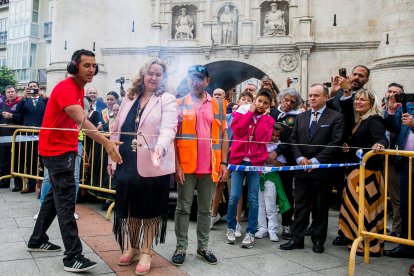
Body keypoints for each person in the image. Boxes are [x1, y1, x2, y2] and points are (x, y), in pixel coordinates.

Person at [26, 49, 122, 273]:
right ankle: (73, 256)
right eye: (86, 65)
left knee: (54, 197)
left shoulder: (79, 89)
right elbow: (82, 121)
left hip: (63, 150)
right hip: (57, 152)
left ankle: (37, 239)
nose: (92, 70)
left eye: (93, 65)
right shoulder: (66, 88)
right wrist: (106, 143)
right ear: (74, 66)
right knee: (66, 202)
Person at [108, 57, 177, 275]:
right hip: (126, 160)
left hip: (154, 162)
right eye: (151, 73)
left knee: (150, 209)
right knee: (129, 208)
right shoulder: (129, 98)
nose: (154, 77)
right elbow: (116, 129)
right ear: (143, 74)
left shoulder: (167, 99)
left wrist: (161, 147)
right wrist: (112, 157)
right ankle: (133, 247)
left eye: (159, 74)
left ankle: (146, 251)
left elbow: (169, 128)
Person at [172, 64, 228, 266]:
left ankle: (203, 247)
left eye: (199, 78)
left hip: (210, 166)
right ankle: (181, 247)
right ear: (188, 80)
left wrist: (223, 162)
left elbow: (223, 135)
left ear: (207, 81)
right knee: (183, 208)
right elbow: (173, 138)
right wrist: (176, 165)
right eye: (192, 78)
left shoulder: (219, 105)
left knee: (205, 210)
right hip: (186, 167)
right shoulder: (179, 104)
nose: (195, 82)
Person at [280, 84, 344, 254]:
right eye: (311, 95)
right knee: (300, 205)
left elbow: (335, 143)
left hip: (322, 170)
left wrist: (315, 161)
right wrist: (300, 159)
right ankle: (297, 238)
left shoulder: (335, 117)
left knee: (320, 206)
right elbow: (293, 141)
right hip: (302, 169)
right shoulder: (302, 117)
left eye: (316, 95)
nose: (313, 98)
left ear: (325, 97)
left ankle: (318, 239)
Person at [333, 88, 388, 256]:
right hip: (356, 172)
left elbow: (381, 138)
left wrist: (380, 145)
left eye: (362, 100)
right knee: (356, 209)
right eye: (357, 99)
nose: (358, 102)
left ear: (372, 103)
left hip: (368, 174)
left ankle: (370, 245)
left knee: (366, 210)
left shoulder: (374, 119)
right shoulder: (360, 120)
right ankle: (357, 239)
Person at [226, 88, 275, 249]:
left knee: (253, 198)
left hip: (255, 162)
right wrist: (250, 113)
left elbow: (263, 138)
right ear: (255, 99)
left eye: (265, 103)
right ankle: (231, 228)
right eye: (259, 101)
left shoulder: (268, 120)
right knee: (233, 196)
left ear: (269, 105)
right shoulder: (241, 112)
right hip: (239, 160)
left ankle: (251, 232)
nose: (261, 105)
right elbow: (238, 130)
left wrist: (262, 117)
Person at [210, 91, 253, 231]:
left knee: (235, 190)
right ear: (238, 101)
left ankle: (236, 220)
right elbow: (221, 133)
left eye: (249, 100)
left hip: (236, 159)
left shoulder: (249, 119)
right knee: (218, 187)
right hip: (224, 158)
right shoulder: (228, 117)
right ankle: (213, 215)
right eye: (243, 98)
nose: (245, 101)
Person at [384, 84, 414, 258]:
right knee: (405, 205)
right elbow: (393, 127)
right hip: (405, 161)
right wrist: (390, 110)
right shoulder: (406, 107)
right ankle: (406, 245)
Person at [269, 87, 302, 240]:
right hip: (266, 161)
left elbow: (292, 139)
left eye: (292, 102)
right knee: (267, 193)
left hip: (286, 162)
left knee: (286, 193)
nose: (288, 104)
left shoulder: (297, 118)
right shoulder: (272, 113)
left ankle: (287, 224)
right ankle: (267, 225)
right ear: (281, 99)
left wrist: (278, 151)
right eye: (286, 100)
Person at [255, 123, 288, 242]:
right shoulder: (261, 143)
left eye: (277, 135)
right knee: (260, 204)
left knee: (271, 204)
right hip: (259, 177)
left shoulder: (278, 147)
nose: (274, 137)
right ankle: (262, 228)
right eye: (272, 134)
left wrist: (271, 160)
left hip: (272, 178)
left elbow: (283, 164)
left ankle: (272, 229)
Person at [15, 81, 48, 194]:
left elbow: (51, 109)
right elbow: (18, 111)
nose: (33, 89)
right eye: (30, 87)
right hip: (28, 135)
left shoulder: (44, 100)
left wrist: (45, 97)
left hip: (42, 134)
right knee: (29, 160)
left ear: (39, 88)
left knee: (43, 160)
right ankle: (31, 184)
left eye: (35, 87)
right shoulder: (25, 100)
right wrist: (23, 98)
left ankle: (43, 185)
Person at [0, 85, 23, 192]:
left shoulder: (20, 103)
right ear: (5, 94)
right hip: (4, 137)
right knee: (4, 161)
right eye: (8, 92)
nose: (10, 93)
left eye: (12, 91)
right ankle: (4, 182)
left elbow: (23, 118)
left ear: (16, 92)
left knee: (17, 161)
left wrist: (12, 116)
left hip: (17, 137)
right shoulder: (2, 104)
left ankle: (18, 184)